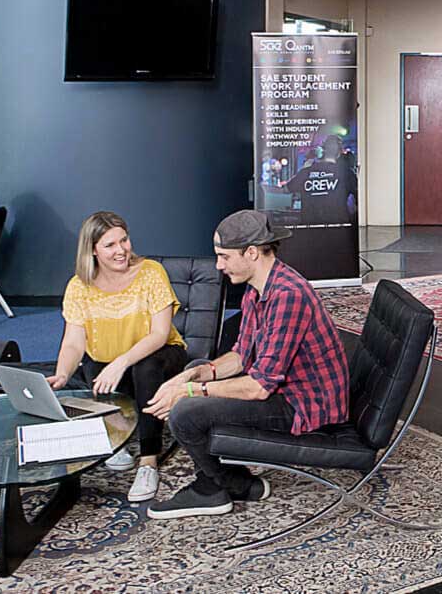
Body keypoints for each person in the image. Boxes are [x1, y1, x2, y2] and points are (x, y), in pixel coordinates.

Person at [142, 209, 349, 520]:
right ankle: (234, 483)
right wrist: (200, 374)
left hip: (302, 404)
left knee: (186, 412)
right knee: (197, 365)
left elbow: (259, 387)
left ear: (251, 252)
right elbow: (241, 355)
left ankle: (215, 489)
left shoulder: (287, 295)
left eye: (224, 256)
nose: (218, 265)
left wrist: (189, 391)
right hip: (282, 390)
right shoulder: (258, 288)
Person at [49, 212, 190, 503]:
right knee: (91, 361)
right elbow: (74, 342)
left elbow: (159, 334)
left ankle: (149, 461)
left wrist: (121, 362)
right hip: (112, 361)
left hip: (160, 355)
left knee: (144, 366)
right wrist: (62, 373)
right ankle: (117, 439)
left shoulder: (150, 272)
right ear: (93, 250)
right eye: (110, 245)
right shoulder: (78, 286)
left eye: (123, 240)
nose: (121, 250)